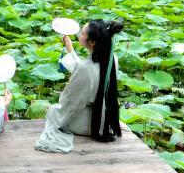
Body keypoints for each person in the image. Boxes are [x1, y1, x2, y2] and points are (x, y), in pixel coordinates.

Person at [35, 19, 124, 152]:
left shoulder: (86, 68)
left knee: (52, 110)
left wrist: (58, 113)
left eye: (82, 34)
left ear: (92, 42)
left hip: (86, 123)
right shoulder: (112, 59)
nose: (79, 36)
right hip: (104, 121)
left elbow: (71, 103)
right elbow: (89, 73)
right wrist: (71, 51)